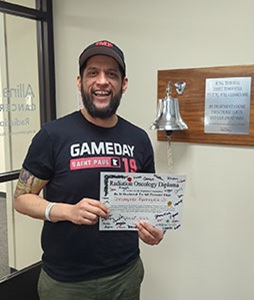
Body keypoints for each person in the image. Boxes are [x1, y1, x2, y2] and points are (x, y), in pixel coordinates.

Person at [14, 40, 164, 300]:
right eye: (93, 72)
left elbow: (147, 204)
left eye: (112, 74)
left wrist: (155, 228)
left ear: (123, 84)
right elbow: (21, 199)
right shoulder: (53, 135)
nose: (102, 81)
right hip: (66, 282)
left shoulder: (139, 139)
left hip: (125, 274)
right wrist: (67, 211)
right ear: (80, 82)